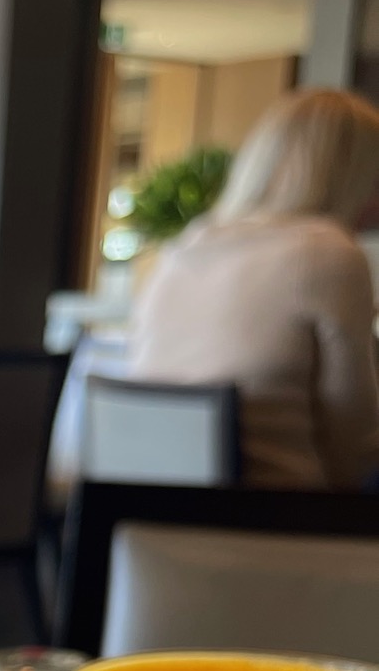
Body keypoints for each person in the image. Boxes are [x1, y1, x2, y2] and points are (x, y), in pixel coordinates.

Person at [129, 87, 379, 488]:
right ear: (353, 175)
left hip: (151, 519)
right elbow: (355, 445)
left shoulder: (186, 245)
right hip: (267, 519)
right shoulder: (329, 250)